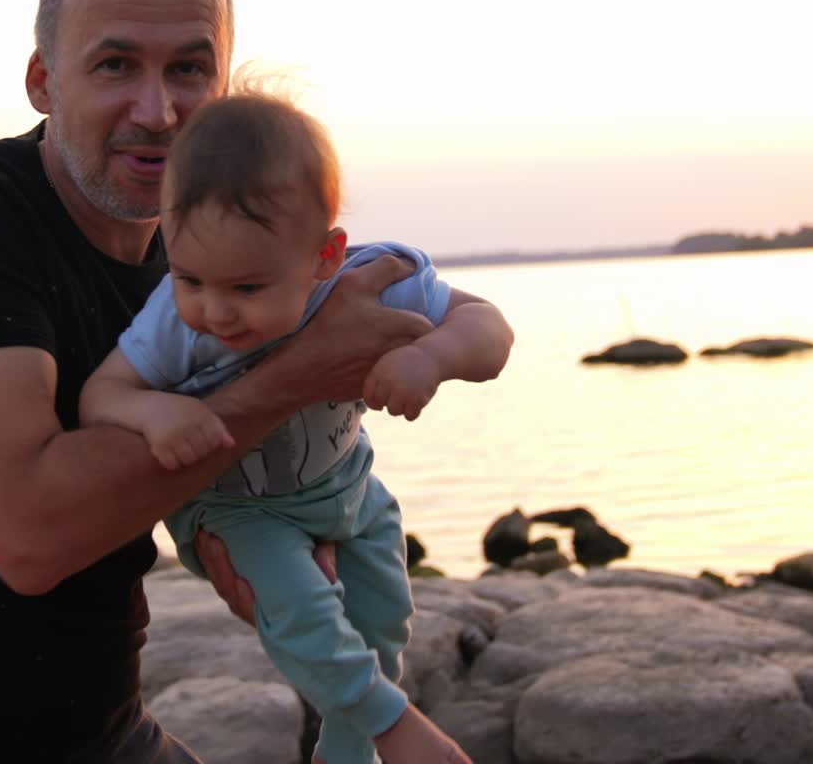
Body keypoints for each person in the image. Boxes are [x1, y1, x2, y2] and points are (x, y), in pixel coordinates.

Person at [0, 0, 444, 764]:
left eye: (189, 68)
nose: (159, 108)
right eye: (114, 65)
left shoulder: (196, 262)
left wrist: (267, 538)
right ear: (42, 81)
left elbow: (192, 486)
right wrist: (300, 371)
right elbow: (27, 536)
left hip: (106, 731)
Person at [80, 91, 514, 764]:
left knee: (384, 621)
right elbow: (102, 394)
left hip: (347, 488)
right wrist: (153, 409)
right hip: (234, 507)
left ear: (325, 256)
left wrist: (430, 355)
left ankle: (348, 750)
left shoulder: (371, 283)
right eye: (191, 277)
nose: (214, 312)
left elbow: (490, 331)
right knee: (306, 616)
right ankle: (394, 728)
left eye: (247, 289)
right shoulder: (175, 319)